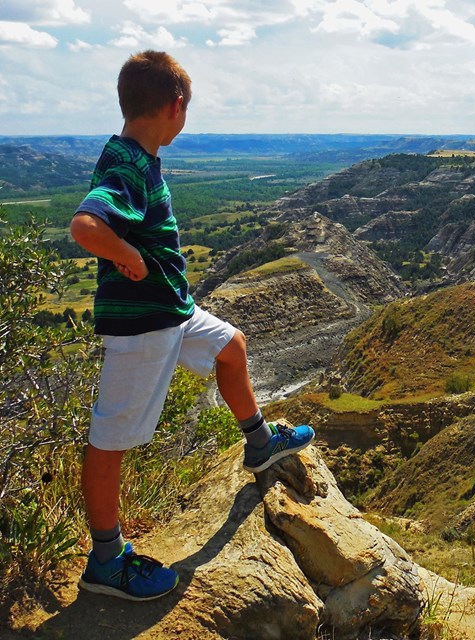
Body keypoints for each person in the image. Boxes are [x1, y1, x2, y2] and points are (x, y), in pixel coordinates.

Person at [70, 50, 314, 602]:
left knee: (231, 345)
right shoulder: (127, 163)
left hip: (173, 311)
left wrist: (135, 256)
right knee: (111, 440)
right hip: (144, 326)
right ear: (176, 105)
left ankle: (258, 442)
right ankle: (106, 560)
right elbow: (86, 224)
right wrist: (126, 252)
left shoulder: (137, 155)